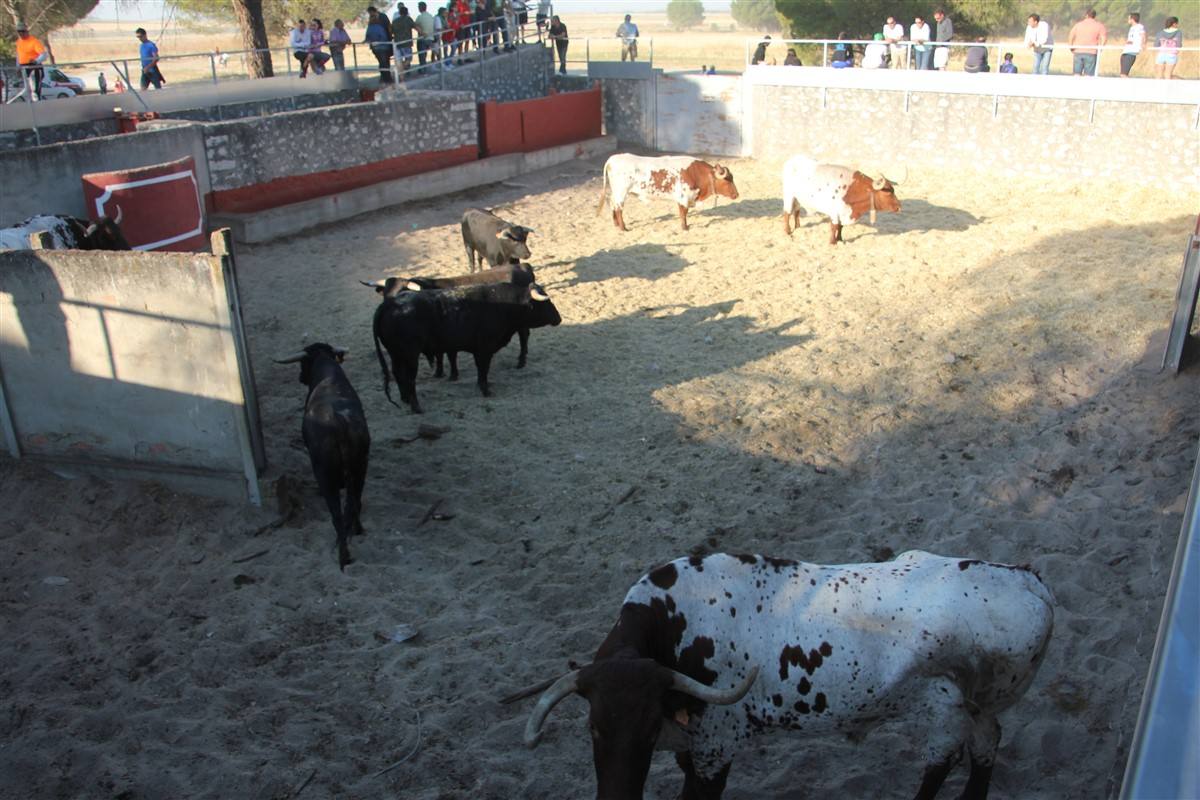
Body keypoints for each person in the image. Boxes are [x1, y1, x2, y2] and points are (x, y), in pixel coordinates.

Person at [15, 22, 50, 101]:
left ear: (26, 31)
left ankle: (38, 107)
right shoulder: (18, 42)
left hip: (34, 67)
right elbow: (18, 55)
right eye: (19, 32)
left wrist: (36, 61)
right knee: (27, 90)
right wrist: (17, 67)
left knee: (35, 90)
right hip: (23, 67)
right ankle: (30, 108)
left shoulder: (34, 41)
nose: (21, 34)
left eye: (23, 31)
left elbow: (44, 54)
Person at [1068, 7, 1106, 76]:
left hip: (1078, 51)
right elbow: (1104, 38)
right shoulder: (1099, 25)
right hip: (1091, 52)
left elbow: (1071, 35)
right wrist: (1101, 49)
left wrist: (1071, 47)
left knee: (1076, 74)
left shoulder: (1078, 25)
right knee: (1088, 75)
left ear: (1086, 15)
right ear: (1094, 16)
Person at [365, 10, 393, 82]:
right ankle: (387, 79)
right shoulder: (379, 27)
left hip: (375, 48)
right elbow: (383, 37)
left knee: (381, 62)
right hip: (383, 47)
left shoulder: (369, 27)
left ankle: (383, 78)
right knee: (385, 63)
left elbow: (367, 37)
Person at [393, 5, 417, 77]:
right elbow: (415, 27)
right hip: (407, 43)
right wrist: (423, 34)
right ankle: (401, 70)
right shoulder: (408, 19)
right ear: (407, 13)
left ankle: (401, 76)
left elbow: (390, 30)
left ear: (399, 13)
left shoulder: (395, 21)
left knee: (400, 59)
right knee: (409, 58)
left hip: (397, 43)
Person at [1118, 12, 1145, 77]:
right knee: (1122, 74)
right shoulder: (1131, 28)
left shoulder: (1139, 26)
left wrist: (1143, 44)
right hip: (1126, 51)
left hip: (1131, 52)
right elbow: (1131, 39)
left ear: (1132, 19)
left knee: (1124, 75)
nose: (1128, 20)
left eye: (1129, 18)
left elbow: (1143, 35)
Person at [415, 2, 436, 70]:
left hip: (423, 39)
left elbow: (415, 25)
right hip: (430, 39)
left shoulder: (420, 17)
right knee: (425, 54)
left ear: (420, 8)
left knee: (422, 55)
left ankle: (423, 70)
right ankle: (424, 68)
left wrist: (420, 31)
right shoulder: (430, 16)